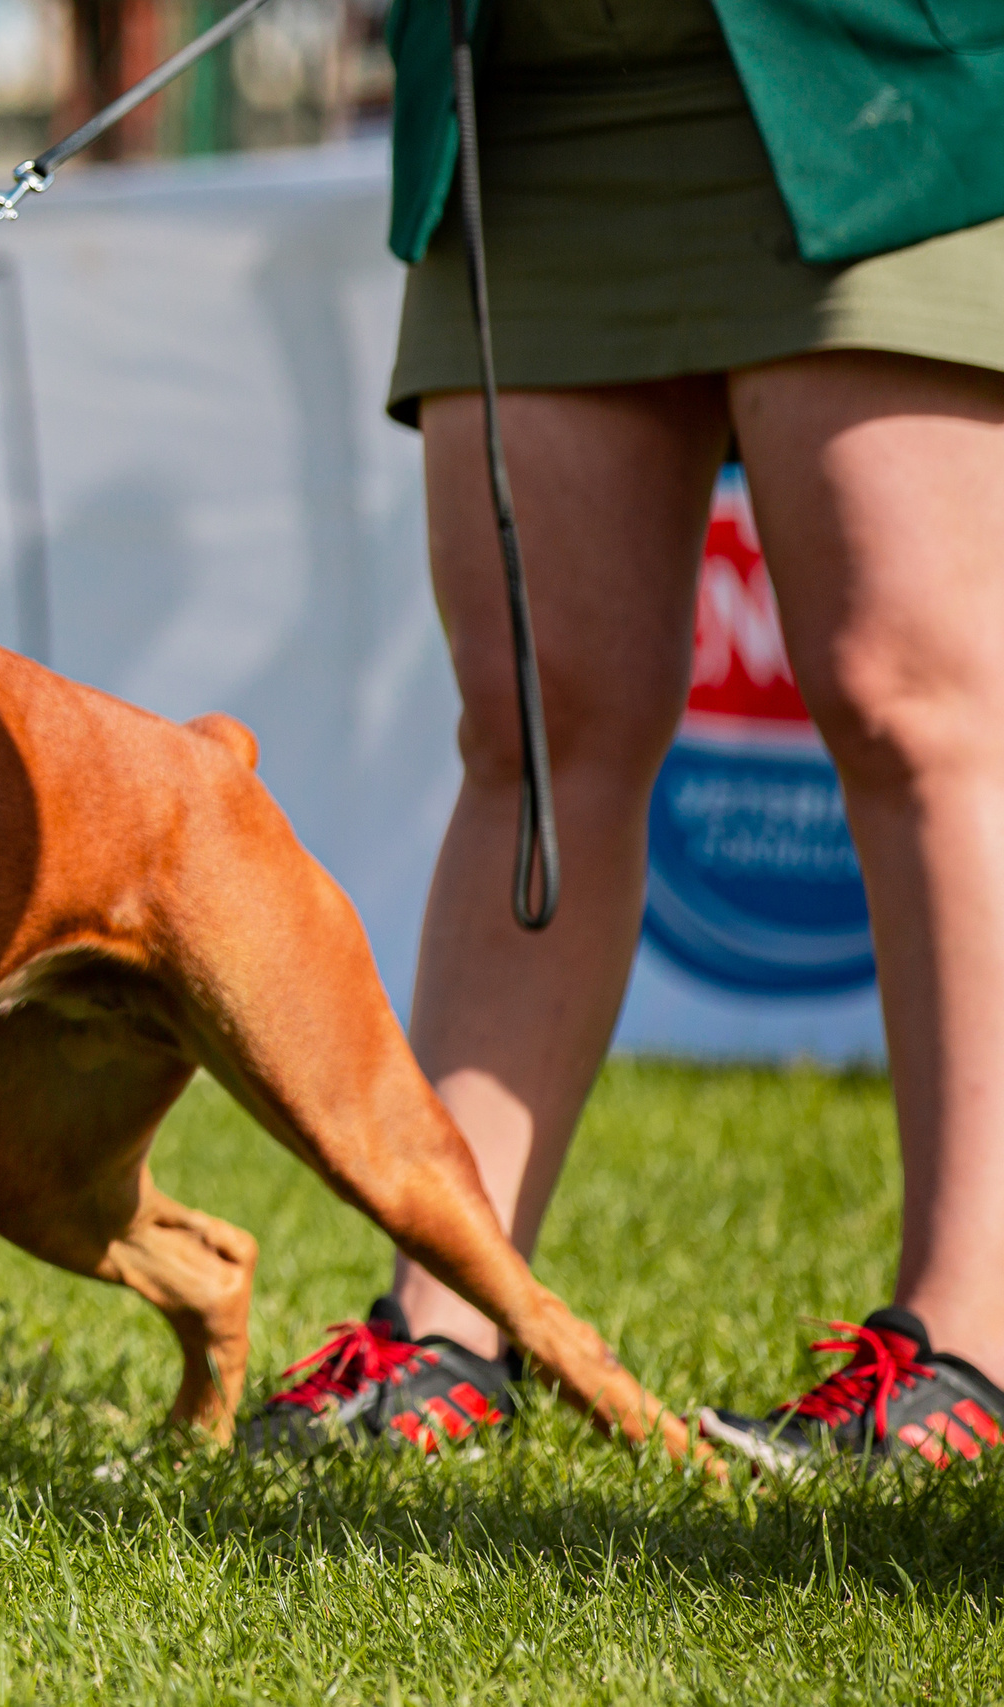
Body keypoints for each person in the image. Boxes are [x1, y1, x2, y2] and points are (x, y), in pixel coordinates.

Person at [244, 0, 1004, 1469]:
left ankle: (969, 1341)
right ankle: (446, 1324)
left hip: (872, 69)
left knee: (910, 699)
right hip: (531, 104)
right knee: (535, 721)